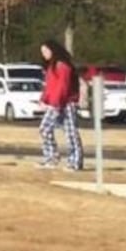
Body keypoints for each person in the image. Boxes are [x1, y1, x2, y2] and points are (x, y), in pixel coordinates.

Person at [38, 39, 83, 171]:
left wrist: (56, 103)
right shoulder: (51, 67)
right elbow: (49, 86)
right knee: (44, 129)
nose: (44, 54)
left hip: (66, 103)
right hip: (54, 104)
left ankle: (75, 161)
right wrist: (43, 99)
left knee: (71, 133)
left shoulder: (63, 66)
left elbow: (62, 87)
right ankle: (51, 157)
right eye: (43, 52)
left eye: (46, 51)